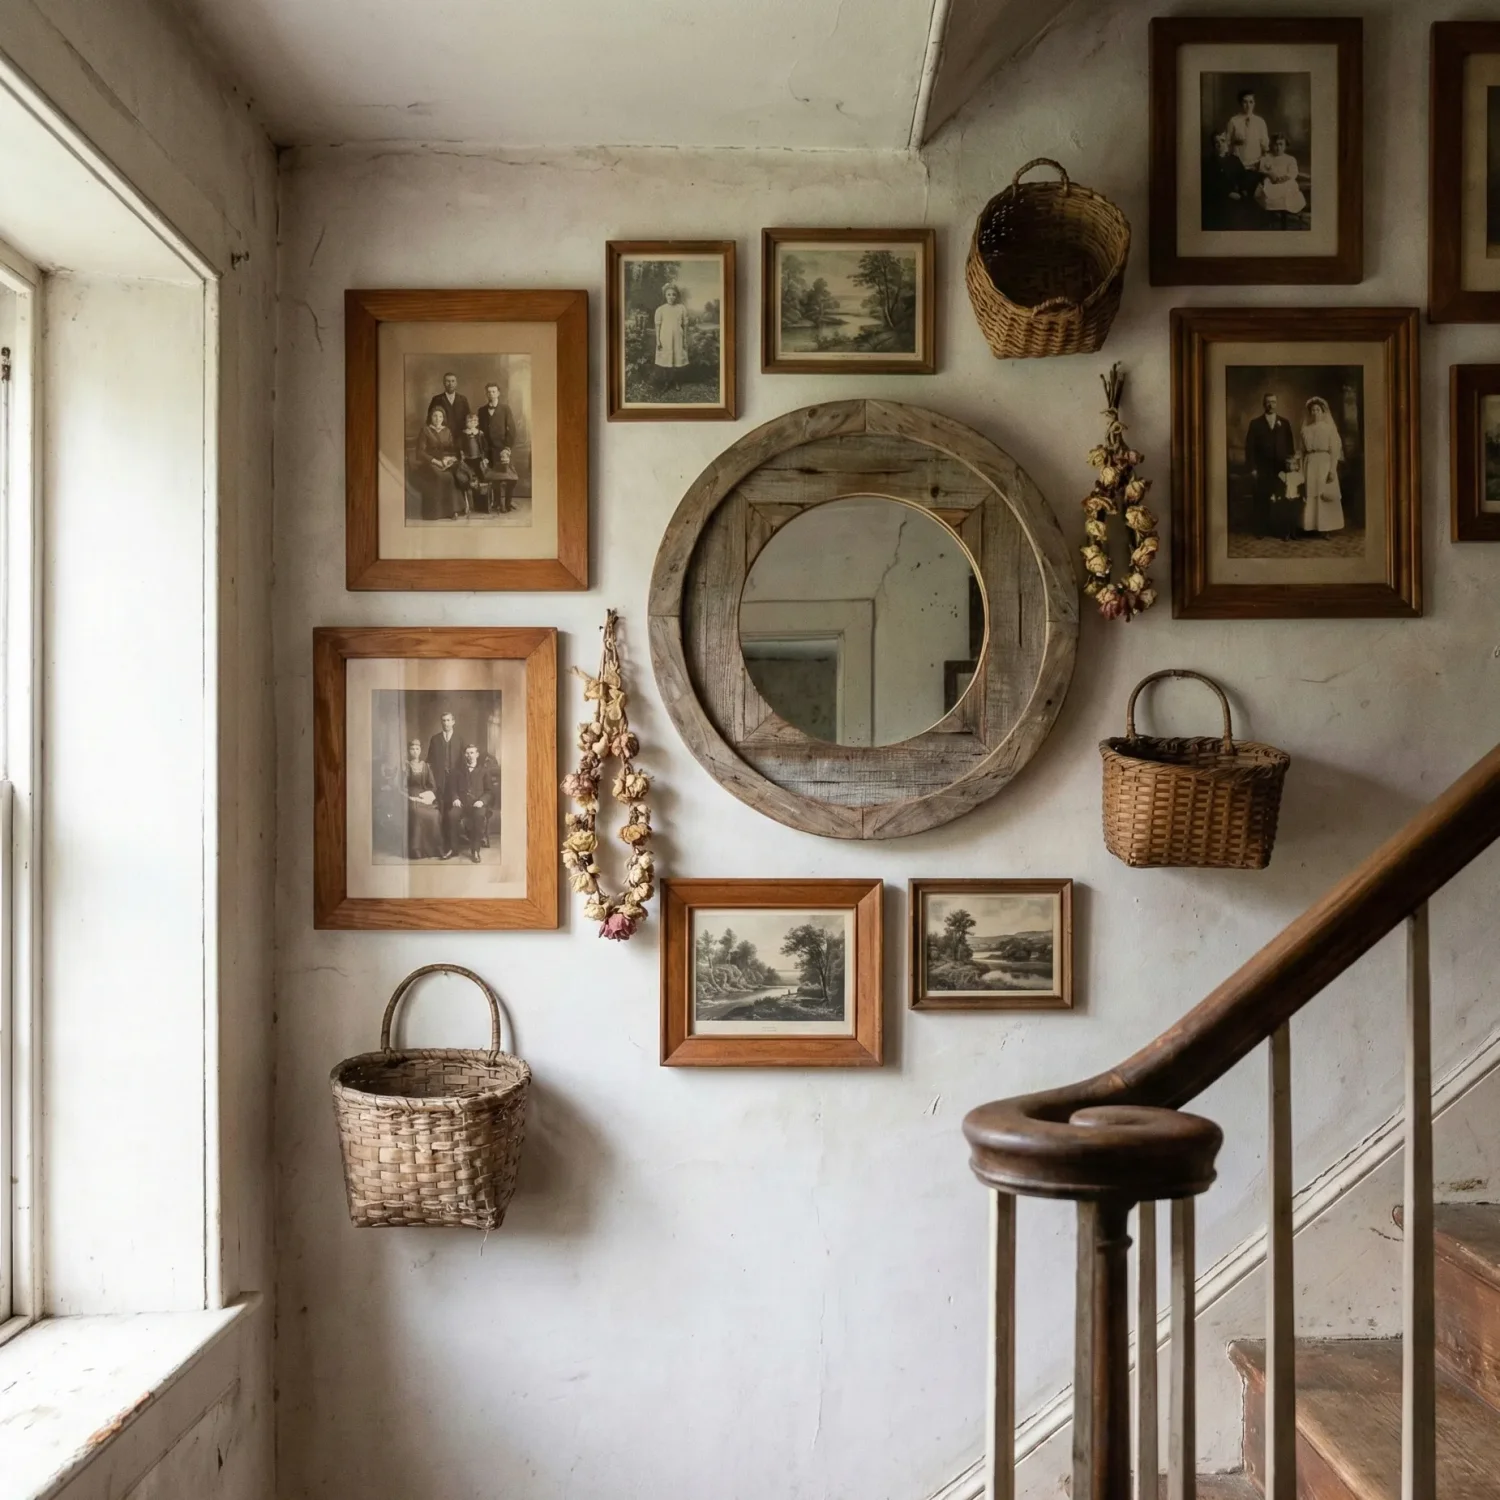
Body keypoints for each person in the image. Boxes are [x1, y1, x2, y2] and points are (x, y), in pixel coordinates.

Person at [1244, 393, 1296, 538]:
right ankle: (1260, 530)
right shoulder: (1255, 423)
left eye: (1273, 402)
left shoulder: (1284, 423)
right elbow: (1250, 448)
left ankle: (1280, 530)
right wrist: (1253, 468)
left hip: (1280, 468)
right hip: (1262, 467)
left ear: (1276, 404)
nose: (1271, 405)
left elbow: (1290, 447)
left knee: (1281, 498)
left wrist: (1290, 466)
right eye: (1268, 402)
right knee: (1261, 498)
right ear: (1263, 404)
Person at [1297, 396, 1345, 537]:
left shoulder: (1329, 429)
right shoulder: (1305, 430)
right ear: (1310, 413)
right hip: (1310, 463)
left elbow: (1334, 450)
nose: (1315, 412)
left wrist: (1332, 469)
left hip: (1324, 462)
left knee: (1324, 493)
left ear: (1323, 412)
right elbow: (1301, 451)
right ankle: (1311, 525)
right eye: (1313, 410)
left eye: (1318, 410)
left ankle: (1326, 528)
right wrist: (1300, 468)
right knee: (1310, 493)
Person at [446, 743, 498, 862]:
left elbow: (490, 792)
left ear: (477, 754)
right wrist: (455, 798)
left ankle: (475, 850)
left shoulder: (484, 771)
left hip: (477, 804)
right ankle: (453, 849)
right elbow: (453, 789)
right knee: (452, 815)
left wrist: (482, 801)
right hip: (462, 804)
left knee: (479, 816)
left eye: (472, 753)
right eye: (467, 753)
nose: (469, 755)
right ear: (464, 755)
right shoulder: (458, 771)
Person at [427, 711, 467, 856]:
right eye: (443, 720)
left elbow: (463, 764)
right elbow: (429, 761)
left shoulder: (459, 739)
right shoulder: (435, 739)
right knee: (441, 810)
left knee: (453, 811)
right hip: (439, 780)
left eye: (448, 720)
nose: (445, 723)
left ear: (453, 722)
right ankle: (442, 844)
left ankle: (453, 844)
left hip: (455, 782)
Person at [402, 738, 444, 860]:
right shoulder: (405, 766)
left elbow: (432, 785)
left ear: (420, 750)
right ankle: (416, 849)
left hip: (424, 797)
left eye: (417, 749)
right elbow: (401, 786)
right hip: (411, 796)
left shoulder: (426, 766)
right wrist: (409, 796)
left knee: (435, 814)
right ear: (409, 751)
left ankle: (436, 849)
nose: (414, 752)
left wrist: (428, 794)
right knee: (417, 812)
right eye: (412, 749)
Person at [413, 406, 458, 520]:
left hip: (444, 462)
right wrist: (436, 461)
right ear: (430, 417)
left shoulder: (447, 431)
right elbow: (420, 452)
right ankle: (435, 513)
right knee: (438, 476)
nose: (438, 419)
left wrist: (449, 459)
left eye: (440, 416)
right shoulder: (425, 430)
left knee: (450, 477)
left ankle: (450, 511)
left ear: (443, 418)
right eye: (435, 416)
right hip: (428, 462)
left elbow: (452, 449)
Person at [1255, 134, 1306, 219]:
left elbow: (1293, 172)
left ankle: (1285, 209)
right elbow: (1261, 169)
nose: (1278, 147)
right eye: (1276, 144)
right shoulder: (1267, 157)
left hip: (1286, 181)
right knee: (1269, 189)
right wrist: (1270, 174)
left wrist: (1284, 178)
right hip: (1271, 182)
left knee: (1290, 187)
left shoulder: (1290, 159)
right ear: (1272, 145)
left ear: (1285, 146)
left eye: (1281, 144)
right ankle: (1274, 210)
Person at [1224, 90, 1270, 186]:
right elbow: (1226, 143)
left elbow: (1265, 146)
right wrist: (1234, 141)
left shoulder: (1260, 122)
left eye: (1251, 102)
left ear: (1254, 103)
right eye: (1245, 102)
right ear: (1241, 103)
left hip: (1255, 165)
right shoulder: (1233, 121)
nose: (1248, 105)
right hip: (1238, 165)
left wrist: (1261, 164)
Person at [454, 411, 491, 517]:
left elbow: (485, 447)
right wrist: (461, 454)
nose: (472, 423)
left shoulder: (480, 433)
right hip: (467, 460)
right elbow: (459, 447)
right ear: (466, 422)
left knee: (481, 480)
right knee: (466, 480)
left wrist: (485, 458)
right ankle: (467, 504)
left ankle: (481, 504)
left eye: (475, 421)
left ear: (477, 422)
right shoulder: (463, 434)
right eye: (470, 421)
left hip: (478, 459)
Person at [654, 284, 690, 384]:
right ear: (665, 295)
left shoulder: (681, 308)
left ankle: (676, 381)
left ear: (677, 296)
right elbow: (658, 326)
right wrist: (658, 340)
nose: (671, 297)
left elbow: (685, 326)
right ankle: (667, 381)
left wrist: (685, 339)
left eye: (673, 294)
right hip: (665, 337)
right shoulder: (660, 309)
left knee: (677, 358)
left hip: (678, 337)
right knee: (666, 358)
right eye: (668, 294)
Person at [477, 382, 515, 457]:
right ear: (486, 394)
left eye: (494, 392)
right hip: (486, 449)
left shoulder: (505, 409)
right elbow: (479, 429)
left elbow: (512, 429)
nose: (491, 394)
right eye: (489, 392)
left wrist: (507, 448)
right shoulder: (481, 410)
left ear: (498, 393)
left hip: (501, 449)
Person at [429, 372, 469, 438]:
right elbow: (430, 418)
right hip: (442, 436)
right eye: (448, 381)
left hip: (460, 436)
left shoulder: (463, 399)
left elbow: (468, 418)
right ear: (444, 383)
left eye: (453, 381)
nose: (450, 384)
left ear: (456, 383)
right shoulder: (437, 399)